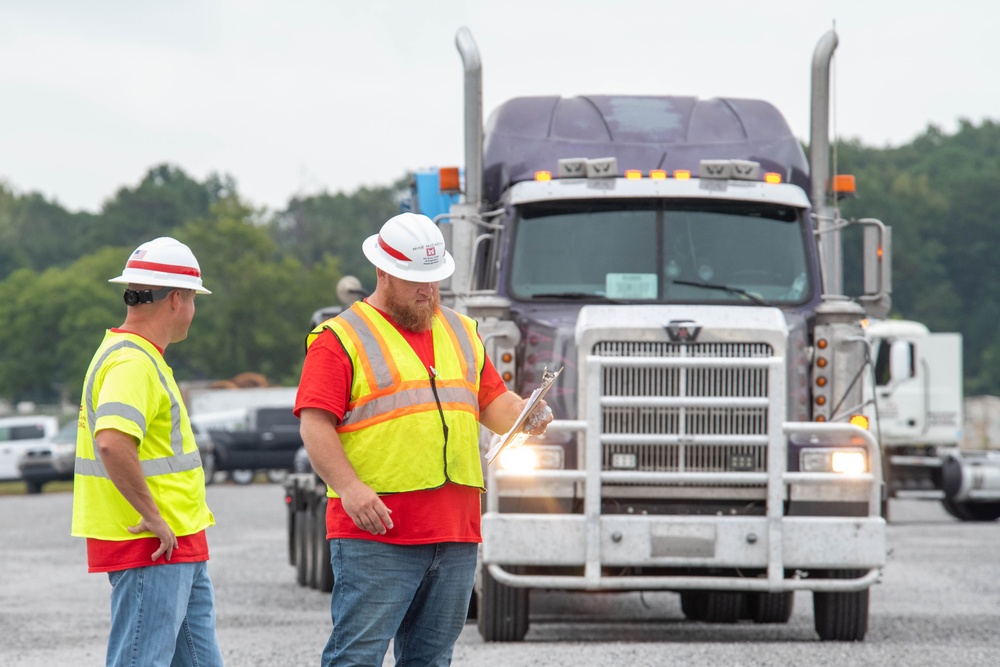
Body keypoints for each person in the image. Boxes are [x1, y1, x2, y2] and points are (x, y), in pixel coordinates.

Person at [295, 212, 553, 666]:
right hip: (376, 535)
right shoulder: (339, 339)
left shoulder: (460, 330)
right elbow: (315, 425)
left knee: (432, 660)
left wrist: (526, 413)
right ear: (383, 272)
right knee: (357, 658)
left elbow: (492, 402)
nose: (427, 291)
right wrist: (352, 490)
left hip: (455, 532)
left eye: (434, 279)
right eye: (415, 280)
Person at [71, 237, 224, 667]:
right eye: (193, 299)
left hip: (174, 541)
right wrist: (154, 516)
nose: (193, 309)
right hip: (151, 542)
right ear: (176, 299)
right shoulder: (133, 363)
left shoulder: (135, 356)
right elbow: (112, 441)